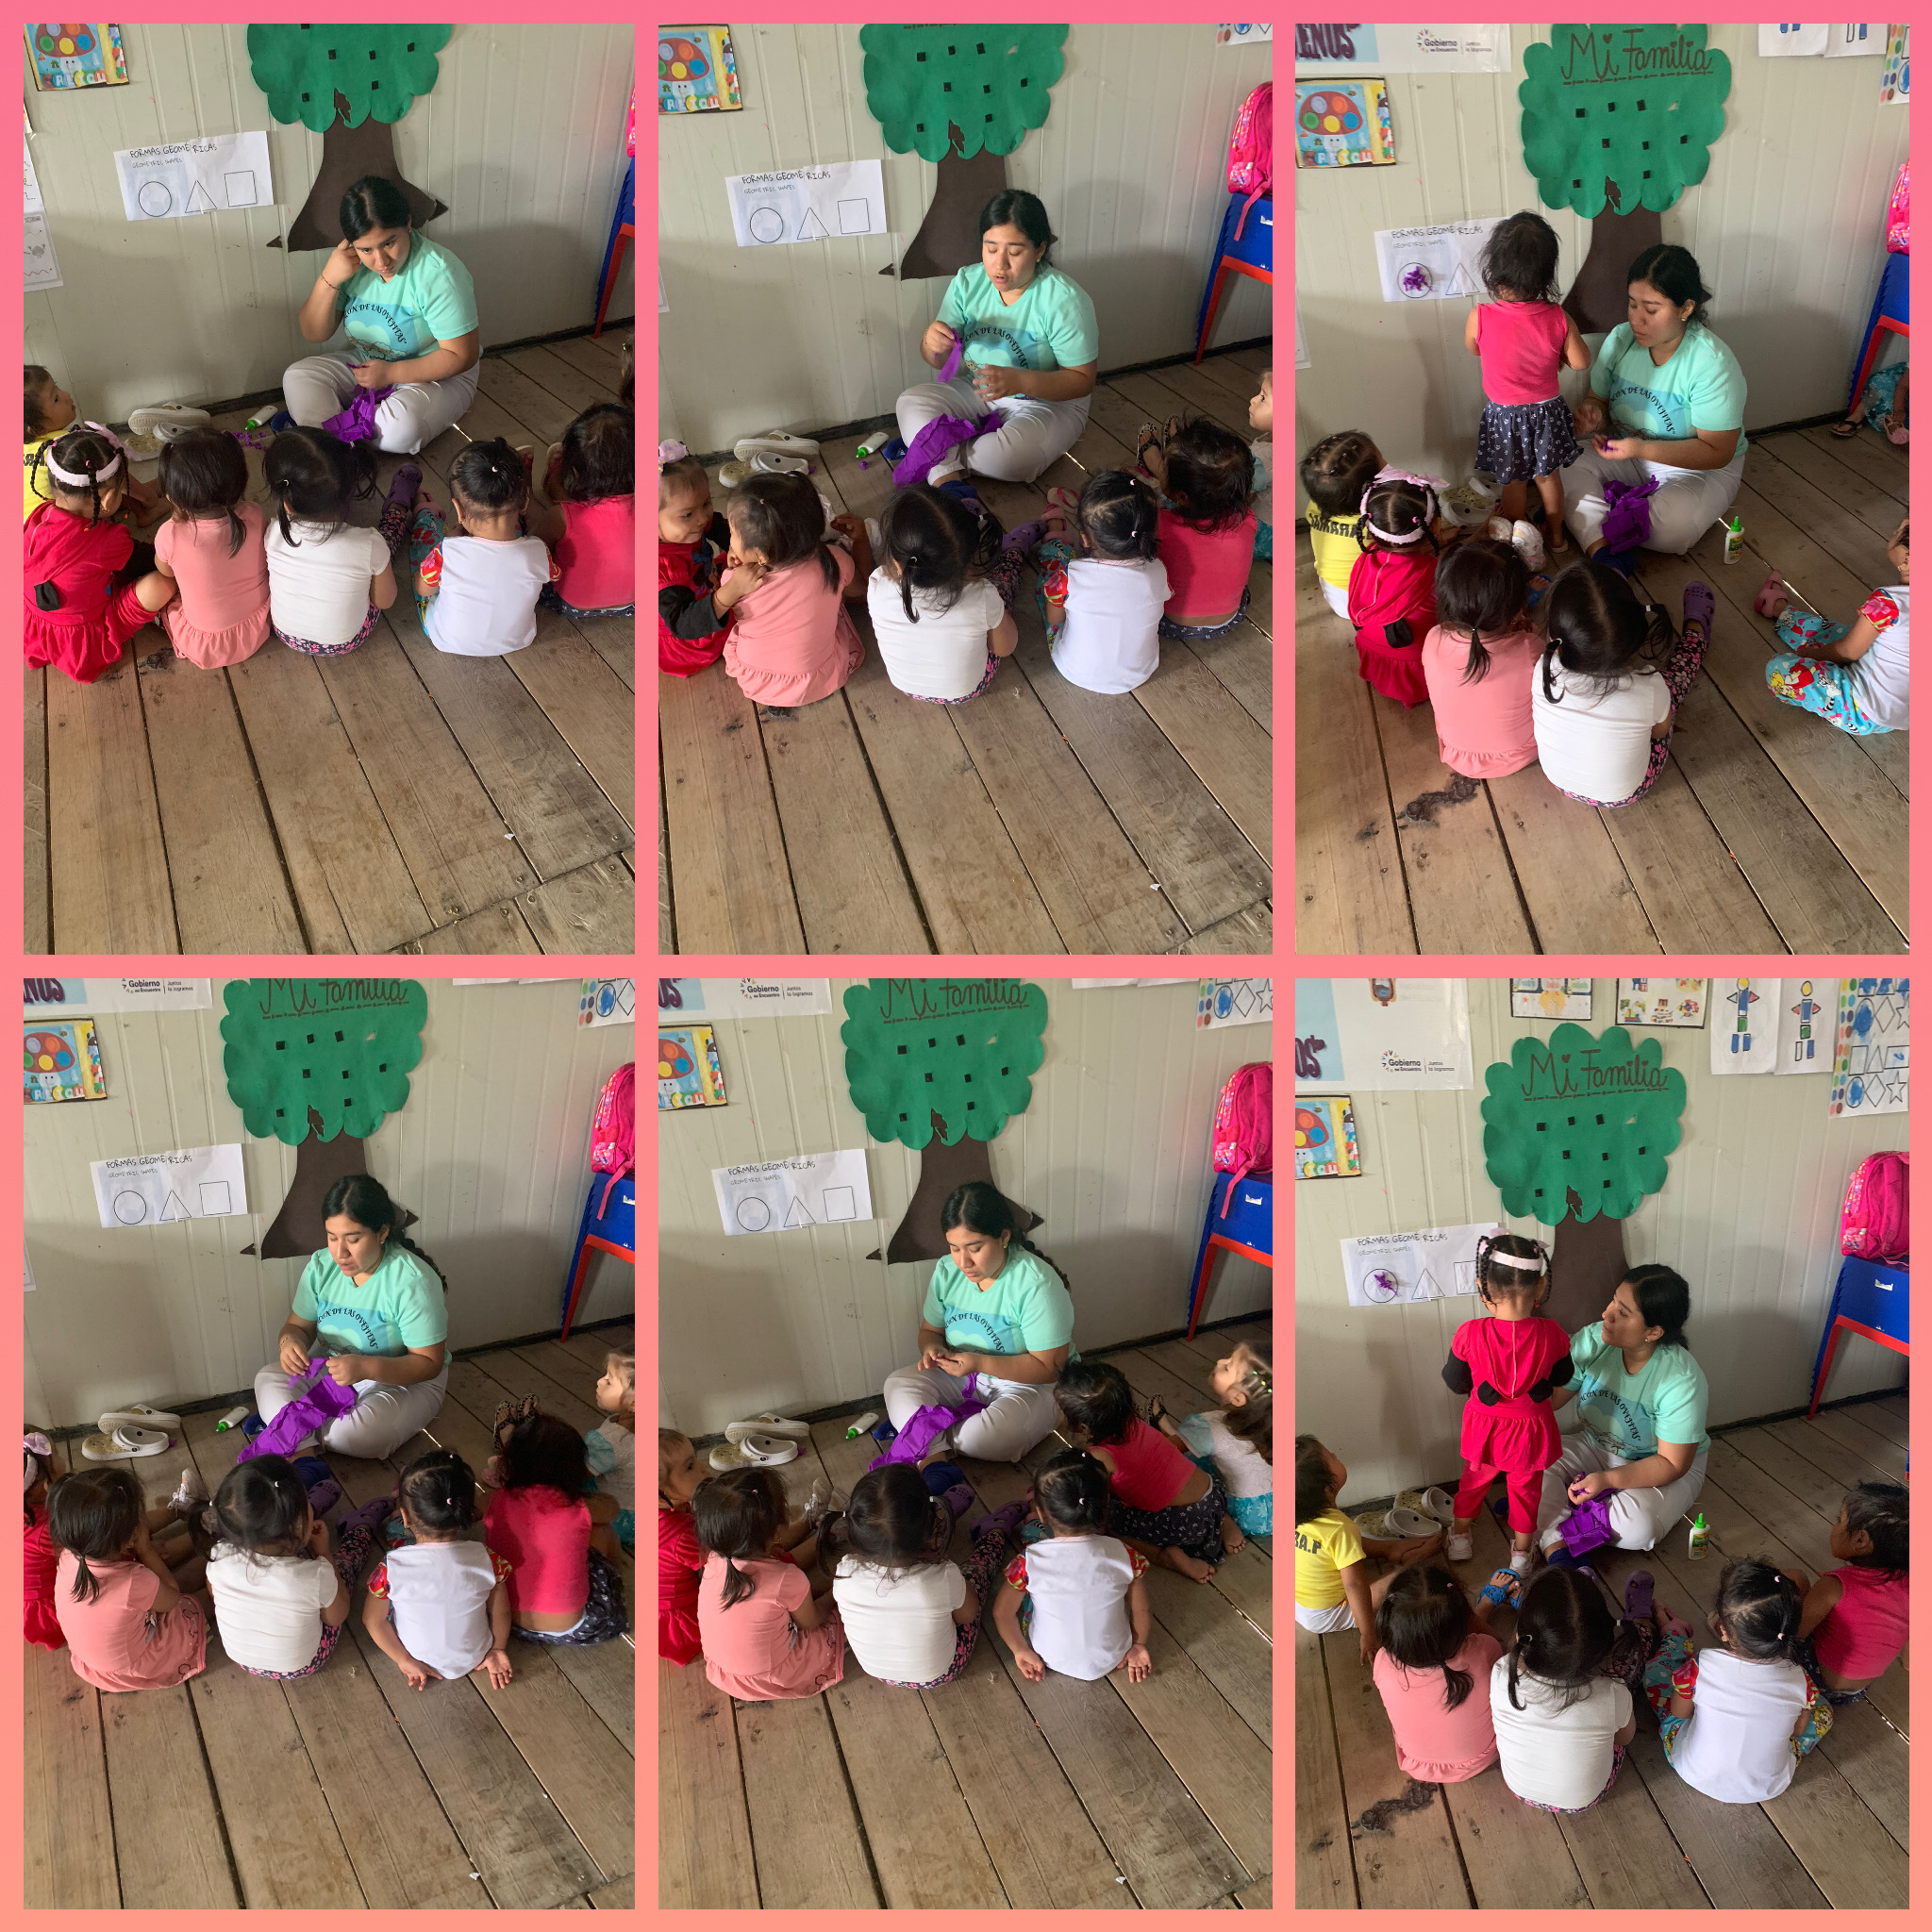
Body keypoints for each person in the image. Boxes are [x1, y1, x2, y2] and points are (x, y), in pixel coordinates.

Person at [896, 190, 1098, 486]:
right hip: (979, 390)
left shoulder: (1064, 300)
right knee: (910, 403)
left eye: (1014, 252)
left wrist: (1021, 381)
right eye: (990, 249)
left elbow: (1082, 381)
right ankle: (947, 478)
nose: (999, 264)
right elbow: (940, 362)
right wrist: (931, 343)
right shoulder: (968, 283)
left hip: (1048, 403)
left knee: (1006, 458)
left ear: (1039, 249)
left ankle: (936, 451)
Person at [1562, 243, 1747, 561]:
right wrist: (1593, 414)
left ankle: (1603, 517)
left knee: (1673, 529)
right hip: (1629, 453)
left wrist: (1640, 449)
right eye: (1632, 304)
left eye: (1651, 309)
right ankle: (1602, 546)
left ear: (1685, 308)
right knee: (1561, 465)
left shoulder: (1711, 363)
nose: (1637, 319)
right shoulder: (1620, 340)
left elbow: (1718, 451)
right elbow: (1598, 399)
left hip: (1697, 468)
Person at [252, 1174, 451, 1460]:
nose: (339, 1252)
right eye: (332, 1237)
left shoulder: (412, 1281)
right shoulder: (321, 1267)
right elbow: (297, 1326)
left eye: (353, 1239)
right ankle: (305, 1450)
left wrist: (367, 1367)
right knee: (268, 1379)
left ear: (382, 1232)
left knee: (354, 1435)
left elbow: (429, 1363)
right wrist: (290, 1343)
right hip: (336, 1369)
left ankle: (293, 1430)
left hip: (403, 1380)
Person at [282, 176, 481, 457]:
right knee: (298, 376)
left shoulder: (438, 272)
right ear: (351, 244)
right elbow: (314, 333)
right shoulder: (350, 267)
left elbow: (462, 356)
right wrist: (329, 278)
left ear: (408, 223)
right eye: (366, 249)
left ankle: (334, 438)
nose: (381, 261)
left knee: (401, 429)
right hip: (370, 365)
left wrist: (391, 373)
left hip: (441, 375)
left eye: (389, 243)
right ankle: (341, 442)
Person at [881, 1181, 1075, 1464]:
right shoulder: (947, 1271)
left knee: (985, 1438)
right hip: (963, 1373)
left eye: (974, 1248)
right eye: (954, 1248)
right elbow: (930, 1331)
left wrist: (979, 1363)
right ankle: (933, 1449)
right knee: (897, 1384)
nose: (963, 1262)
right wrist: (932, 1349)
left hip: (1029, 1383)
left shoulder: (1036, 1284)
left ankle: (924, 1436)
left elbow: (1049, 1369)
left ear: (1004, 1237)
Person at [1532, 1264, 1709, 1561]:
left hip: (1660, 1465)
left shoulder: (1680, 1379)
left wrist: (1607, 1480)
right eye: (1613, 1301)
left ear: (1653, 1331)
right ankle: (1559, 1549)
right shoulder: (1595, 1341)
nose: (1606, 1314)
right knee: (1528, 1464)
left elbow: (1672, 1463)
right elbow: (1551, 1400)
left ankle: (1561, 1519)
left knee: (1638, 1527)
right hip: (1596, 1445)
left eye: (1623, 1313)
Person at [1442, 1235, 1573, 1603]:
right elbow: (1563, 1376)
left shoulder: (1470, 1333)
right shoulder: (1553, 1333)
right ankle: (1521, 1554)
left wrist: (1481, 1386)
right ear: (1540, 1286)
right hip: (1530, 1428)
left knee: (1473, 1481)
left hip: (1486, 1426)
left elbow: (1455, 1381)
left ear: (1483, 1287)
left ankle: (1460, 1538)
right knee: (1525, 1491)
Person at [1641, 1559, 1832, 1802]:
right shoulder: (1801, 1681)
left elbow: (1680, 1713)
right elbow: (1797, 1731)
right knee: (1822, 1709)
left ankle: (1675, 1636)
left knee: (1657, 1673)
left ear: (1722, 1629)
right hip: (1768, 1786)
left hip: (1694, 1771)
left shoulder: (1700, 1666)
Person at [828, 1464, 1027, 1688]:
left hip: (880, 1672)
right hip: (940, 1673)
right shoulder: (942, 1577)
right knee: (976, 1572)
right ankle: (993, 1534)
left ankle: (930, 1523)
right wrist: (948, 1578)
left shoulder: (845, 1570)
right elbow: (967, 1615)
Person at [1531, 561, 1712, 808]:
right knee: (1671, 688)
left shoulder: (1544, 668)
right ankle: (1695, 634)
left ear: (1556, 639)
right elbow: (1658, 733)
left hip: (1560, 782)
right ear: (1633, 634)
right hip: (1625, 794)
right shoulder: (1648, 687)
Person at [1466, 211, 1591, 554]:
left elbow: (1474, 348)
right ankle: (1557, 537)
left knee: (1515, 481)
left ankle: (1518, 546)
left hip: (1505, 416)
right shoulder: (1558, 317)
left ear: (1493, 269)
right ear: (1546, 274)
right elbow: (1582, 362)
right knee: (1548, 478)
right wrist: (1560, 351)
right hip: (1547, 414)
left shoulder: (1480, 316)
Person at [207, 1455, 387, 1680]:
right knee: (343, 1569)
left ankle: (290, 1517)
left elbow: (214, 1592)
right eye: (305, 1507)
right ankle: (360, 1529)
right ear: (299, 1526)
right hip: (301, 1665)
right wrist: (324, 1554)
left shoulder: (219, 1554)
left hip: (243, 1661)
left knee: (298, 1576)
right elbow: (336, 1617)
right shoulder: (315, 1576)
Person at [23, 424, 175, 683]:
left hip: (38, 624)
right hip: (83, 639)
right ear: (105, 500)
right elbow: (150, 561)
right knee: (161, 584)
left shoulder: (39, 516)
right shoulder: (107, 540)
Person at [1055, 1359, 1228, 1581]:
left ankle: (1164, 1556)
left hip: (1185, 1523)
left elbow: (1097, 1498)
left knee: (1110, 1526)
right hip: (1213, 1497)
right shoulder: (1133, 1421)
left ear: (1082, 1427)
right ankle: (1224, 1523)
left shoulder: (1100, 1456)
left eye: (1060, 1409)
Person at [992, 1449, 1152, 1682]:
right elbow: (1141, 1610)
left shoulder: (1027, 1562)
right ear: (1105, 1505)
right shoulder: (1125, 1554)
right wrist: (1139, 1645)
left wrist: (1021, 1650)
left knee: (1032, 1570)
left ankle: (1031, 1525)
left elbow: (1002, 1613)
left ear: (1042, 1514)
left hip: (1048, 1656)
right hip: (1114, 1654)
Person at [361, 1450, 514, 1690]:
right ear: (466, 1513)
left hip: (415, 1657)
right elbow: (501, 1611)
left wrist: (403, 1659)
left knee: (392, 1589)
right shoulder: (487, 1558)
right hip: (476, 1655)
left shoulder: (391, 1568)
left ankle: (396, 1520)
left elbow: (373, 1620)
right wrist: (497, 1649)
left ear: (406, 1517)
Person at [47, 1464, 209, 1690]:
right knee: (194, 1599)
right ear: (129, 1539)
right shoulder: (133, 1581)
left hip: (95, 1661)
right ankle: (212, 1540)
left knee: (155, 1577)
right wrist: (146, 1551)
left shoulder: (71, 1553)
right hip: (137, 1664)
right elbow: (172, 1598)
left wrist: (143, 1549)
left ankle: (204, 1531)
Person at [1491, 1566, 1636, 1812]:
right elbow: (1624, 1738)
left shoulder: (1503, 1672)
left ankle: (1569, 1616)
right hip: (1582, 1801)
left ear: (1518, 1637)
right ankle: (1641, 1624)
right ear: (1603, 1645)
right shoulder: (1612, 1693)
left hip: (1520, 1789)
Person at [483, 1398, 627, 1645]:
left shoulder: (498, 1498)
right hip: (572, 1628)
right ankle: (617, 1574)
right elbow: (612, 1508)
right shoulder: (578, 1507)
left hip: (503, 1619)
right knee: (602, 1530)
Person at [693, 1465, 845, 1699]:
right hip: (771, 1677)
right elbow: (811, 1622)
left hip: (725, 1673)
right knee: (843, 1614)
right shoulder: (786, 1578)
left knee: (782, 1597)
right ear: (778, 1531)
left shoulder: (715, 1558)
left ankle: (823, 1528)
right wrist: (833, 1593)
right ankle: (830, 1531)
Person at [717, 471, 867, 707]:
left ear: (761, 555)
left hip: (757, 682)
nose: (731, 541)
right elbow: (862, 589)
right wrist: (861, 541)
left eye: (733, 534)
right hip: (822, 678)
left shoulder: (735, 581)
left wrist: (735, 567)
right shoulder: (835, 560)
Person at [262, 426, 416, 656]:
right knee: (382, 548)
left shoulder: (273, 531)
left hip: (285, 634)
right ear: (348, 493)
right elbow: (385, 601)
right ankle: (398, 509)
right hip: (345, 642)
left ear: (286, 503)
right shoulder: (369, 543)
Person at [867, 483, 1022, 703]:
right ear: (966, 555)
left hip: (906, 686)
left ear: (897, 561)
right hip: (966, 691)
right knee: (1002, 588)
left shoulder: (877, 583)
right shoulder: (983, 596)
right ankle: (1015, 553)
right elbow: (1005, 648)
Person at [1294, 1435, 1444, 1659]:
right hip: (1329, 1614)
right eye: (1333, 1457)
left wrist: (1388, 1548)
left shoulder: (1300, 1515)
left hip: (1298, 1602)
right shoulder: (1339, 1528)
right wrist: (1368, 1633)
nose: (1337, 1456)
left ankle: (1391, 1549)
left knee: (1345, 1545)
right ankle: (1414, 1560)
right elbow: (1354, 1585)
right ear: (1329, 1488)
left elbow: (1343, 1547)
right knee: (1395, 1582)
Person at [410, 437, 558, 656]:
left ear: (458, 510)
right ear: (525, 502)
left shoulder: (447, 553)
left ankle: (425, 513)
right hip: (518, 640)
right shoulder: (539, 552)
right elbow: (552, 575)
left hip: (446, 639)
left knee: (427, 545)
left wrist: (448, 542)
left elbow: (423, 589)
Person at [1762, 518, 1908, 738]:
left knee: (1778, 670)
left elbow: (1848, 651)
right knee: (1843, 633)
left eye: (1898, 531)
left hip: (1861, 711)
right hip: (1901, 716)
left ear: (1907, 560)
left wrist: (1808, 655)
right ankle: (1781, 612)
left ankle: (1780, 612)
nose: (1893, 532)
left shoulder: (1887, 603)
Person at [1035, 469, 1168, 693]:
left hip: (1074, 670)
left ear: (1084, 538)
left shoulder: (1068, 577)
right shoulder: (1158, 571)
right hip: (1140, 672)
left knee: (1051, 582)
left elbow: (1054, 618)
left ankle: (1055, 537)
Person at [1373, 1562, 1506, 1783]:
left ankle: (1483, 1607)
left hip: (1418, 1763)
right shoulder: (1483, 1651)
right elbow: (1499, 1643)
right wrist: (1475, 1614)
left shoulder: (1384, 1661)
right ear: (1464, 1619)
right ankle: (1484, 1605)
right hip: (1481, 1756)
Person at [1422, 536, 1541, 778]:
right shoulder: (1529, 648)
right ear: (1518, 610)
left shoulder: (1433, 639)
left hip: (1456, 751)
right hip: (1518, 753)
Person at [151, 428, 271, 667]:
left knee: (159, 588)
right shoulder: (255, 514)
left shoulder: (171, 534)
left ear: (172, 498)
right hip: (256, 628)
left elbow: (165, 571)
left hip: (207, 644)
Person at [1147, 1338, 1272, 1552]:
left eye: (1228, 1367)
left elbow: (1166, 1454)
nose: (1220, 1361)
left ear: (1238, 1399)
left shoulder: (1209, 1425)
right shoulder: (1270, 1422)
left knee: (1185, 1466)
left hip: (1247, 1514)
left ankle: (1222, 1519)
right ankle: (1176, 1434)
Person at [1790, 1481, 1908, 1704]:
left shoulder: (1834, 1587)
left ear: (1861, 1540)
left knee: (1796, 1577)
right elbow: (1911, 1660)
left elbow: (1794, 1635)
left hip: (1815, 1682)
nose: (1834, 1526)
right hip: (1855, 1693)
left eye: (1839, 1520)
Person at [1141, 416, 1257, 639]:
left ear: (1181, 497)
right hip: (1230, 619)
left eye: (1165, 470)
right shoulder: (1246, 520)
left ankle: (1154, 468)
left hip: (1171, 622)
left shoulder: (1159, 524)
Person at [531, 402, 635, 619]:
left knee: (530, 532)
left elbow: (534, 549)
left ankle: (534, 489)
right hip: (634, 603)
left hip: (572, 604)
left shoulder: (561, 515)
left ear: (575, 473)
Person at [1348, 474, 1441, 707]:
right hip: (1417, 673)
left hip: (1376, 661)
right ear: (1436, 525)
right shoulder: (1436, 574)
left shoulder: (1364, 561)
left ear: (1371, 530)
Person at [658, 446, 735, 675]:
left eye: (706, 503)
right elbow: (683, 624)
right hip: (690, 640)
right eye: (687, 514)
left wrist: (737, 547)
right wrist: (732, 592)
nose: (702, 518)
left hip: (707, 587)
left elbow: (719, 527)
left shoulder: (687, 525)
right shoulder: (663, 572)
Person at [1300, 429, 1385, 618]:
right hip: (1370, 602)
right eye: (1383, 461)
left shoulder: (1316, 505)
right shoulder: (1379, 513)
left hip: (1335, 597)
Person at [658, 1428, 708, 1665]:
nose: (703, 1467)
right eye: (690, 1466)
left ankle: (812, 1523)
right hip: (683, 1625)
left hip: (663, 1615)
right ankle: (815, 1531)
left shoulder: (665, 1512)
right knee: (767, 1568)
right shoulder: (681, 1534)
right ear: (661, 1492)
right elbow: (734, 1562)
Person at [584, 1349, 636, 1553]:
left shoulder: (609, 1442)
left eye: (609, 1381)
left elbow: (577, 1473)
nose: (599, 1381)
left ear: (634, 1402)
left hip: (622, 1517)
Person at [24, 1430, 61, 1651]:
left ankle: (174, 1510)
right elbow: (95, 1549)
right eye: (57, 1454)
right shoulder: (46, 1528)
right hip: (48, 1614)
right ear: (43, 1483)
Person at [1247, 369, 1274, 560]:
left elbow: (1242, 494)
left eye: (1263, 398)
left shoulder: (1263, 456)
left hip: (1261, 534)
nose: (1253, 400)